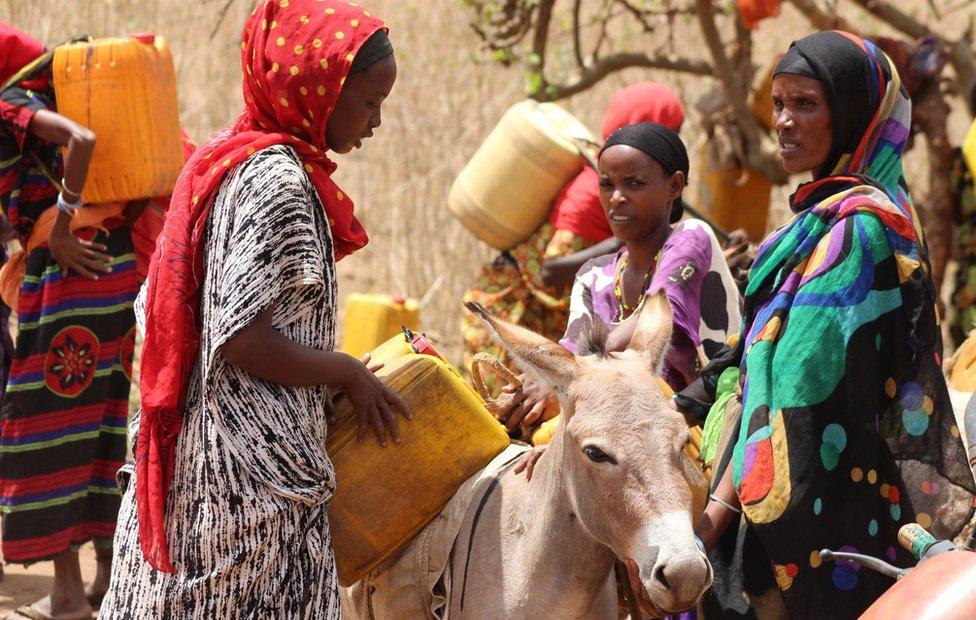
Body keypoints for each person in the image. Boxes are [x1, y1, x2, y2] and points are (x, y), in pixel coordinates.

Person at [100, 2, 410, 617]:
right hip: (248, 472)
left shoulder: (237, 157)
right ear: (318, 92)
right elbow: (241, 337)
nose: (376, 122)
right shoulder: (278, 181)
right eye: (370, 103)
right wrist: (346, 371)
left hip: (217, 451)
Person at [676, 31, 976, 618]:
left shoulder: (859, 231)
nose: (783, 122)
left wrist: (715, 514)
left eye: (806, 104)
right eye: (779, 103)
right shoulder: (818, 221)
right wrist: (677, 402)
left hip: (825, 523)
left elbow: (788, 393)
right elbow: (749, 355)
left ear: (855, 114)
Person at [0, 24, 145, 620]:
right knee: (105, 419)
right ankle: (110, 577)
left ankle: (65, 594)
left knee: (44, 422)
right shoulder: (57, 94)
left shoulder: (12, 104)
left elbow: (79, 141)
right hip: (113, 269)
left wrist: (58, 226)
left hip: (66, 274)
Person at [503, 122, 742, 445]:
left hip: (713, 416)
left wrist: (560, 378)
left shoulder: (692, 238)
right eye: (606, 184)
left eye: (634, 183)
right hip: (637, 429)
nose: (616, 198)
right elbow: (574, 349)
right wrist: (533, 386)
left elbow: (655, 315)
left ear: (674, 185)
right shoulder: (593, 276)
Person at [460, 83, 686, 393]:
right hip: (510, 314)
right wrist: (619, 244)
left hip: (547, 326)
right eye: (673, 130)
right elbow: (550, 270)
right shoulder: (592, 193)